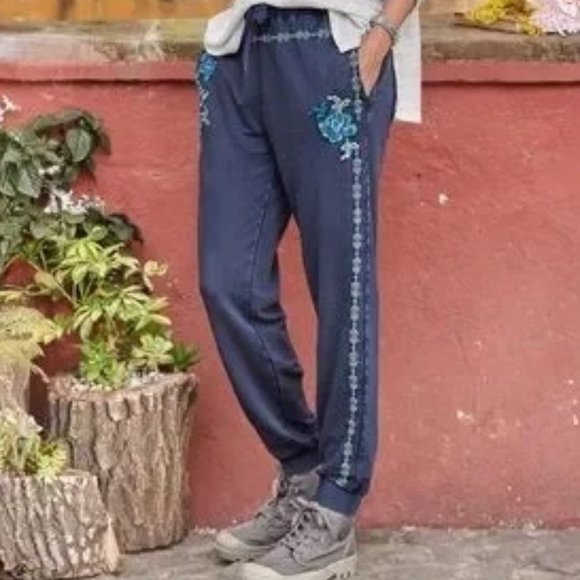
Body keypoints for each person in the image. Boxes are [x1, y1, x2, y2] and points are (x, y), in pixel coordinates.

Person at [197, 0, 421, 578]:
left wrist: (381, 36)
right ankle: (302, 469)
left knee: (342, 288)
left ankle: (336, 504)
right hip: (240, 46)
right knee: (227, 281)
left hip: (333, 44)